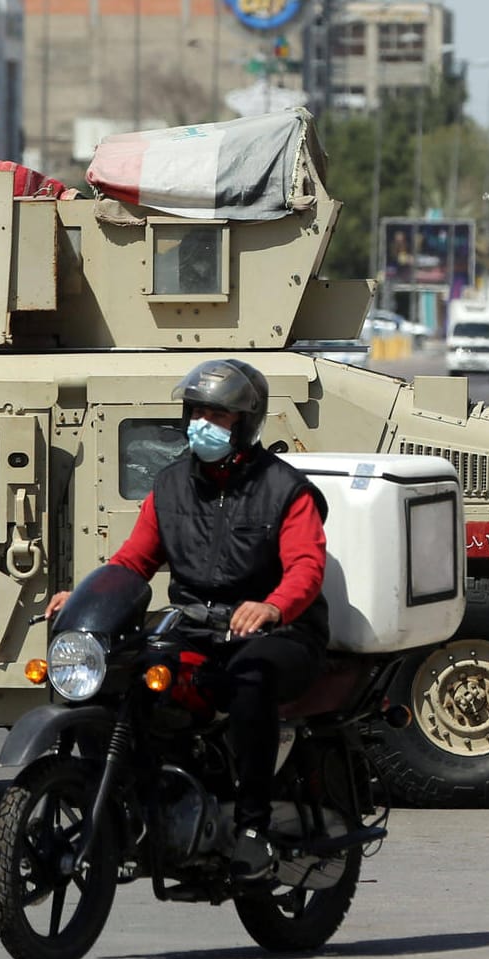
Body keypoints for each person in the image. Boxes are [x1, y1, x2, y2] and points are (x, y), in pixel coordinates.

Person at [43, 358, 329, 883]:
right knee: (117, 673)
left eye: (217, 415)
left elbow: (307, 567)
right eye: (196, 411)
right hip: (197, 627)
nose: (203, 423)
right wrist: (85, 595)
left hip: (282, 631)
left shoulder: (285, 489)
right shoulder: (170, 486)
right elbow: (133, 560)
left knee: (251, 679)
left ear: (245, 422)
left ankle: (252, 826)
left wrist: (272, 606)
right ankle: (131, 799)